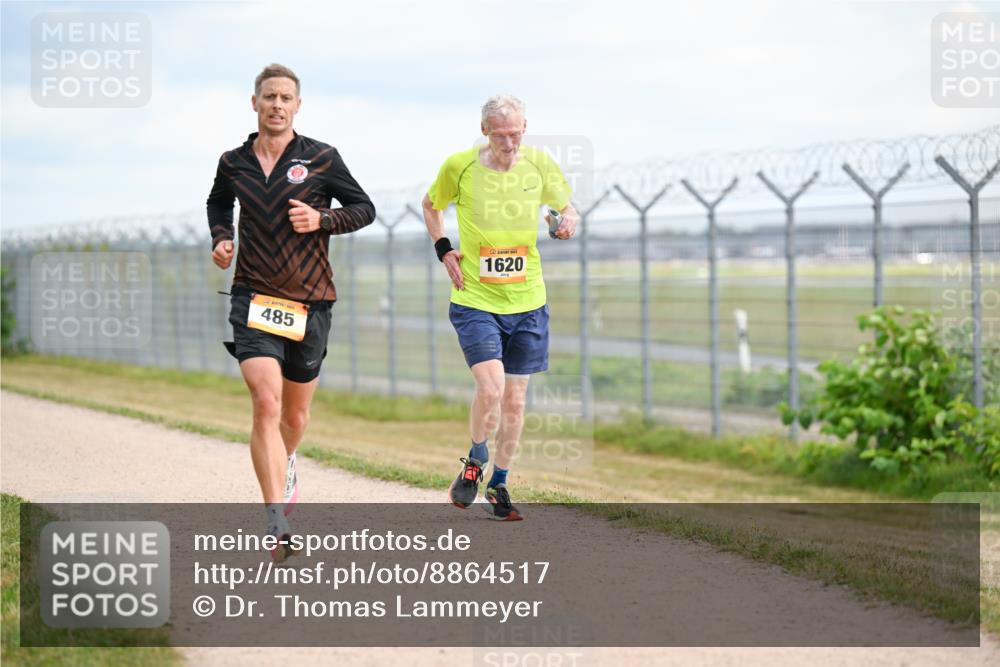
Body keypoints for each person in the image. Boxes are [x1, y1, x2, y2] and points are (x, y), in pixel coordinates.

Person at [206, 64, 375, 559]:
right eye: (269, 97)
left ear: (297, 106)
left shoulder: (321, 157)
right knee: (266, 402)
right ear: (254, 103)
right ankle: (275, 521)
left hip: (310, 301)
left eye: (286, 98)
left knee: (295, 416)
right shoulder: (233, 161)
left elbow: (364, 208)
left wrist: (323, 218)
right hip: (254, 297)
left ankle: (288, 456)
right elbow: (218, 202)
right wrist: (222, 237)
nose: (277, 105)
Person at [422, 94, 579, 521]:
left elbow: (566, 208)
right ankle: (476, 458)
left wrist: (567, 221)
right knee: (491, 389)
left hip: (528, 301)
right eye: (500, 135)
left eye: (515, 134)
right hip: (475, 298)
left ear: (525, 128)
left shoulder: (540, 165)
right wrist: (443, 249)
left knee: (515, 401)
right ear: (484, 130)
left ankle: (500, 483)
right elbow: (431, 205)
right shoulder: (460, 166)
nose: (509, 143)